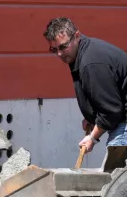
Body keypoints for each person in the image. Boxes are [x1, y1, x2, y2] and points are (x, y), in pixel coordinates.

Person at [43, 17, 127, 153]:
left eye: (63, 46)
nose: (59, 53)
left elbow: (111, 110)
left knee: (117, 173)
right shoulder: (81, 53)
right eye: (54, 49)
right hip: (122, 120)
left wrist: (92, 138)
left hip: (124, 124)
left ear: (77, 36)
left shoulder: (91, 63)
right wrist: (92, 118)